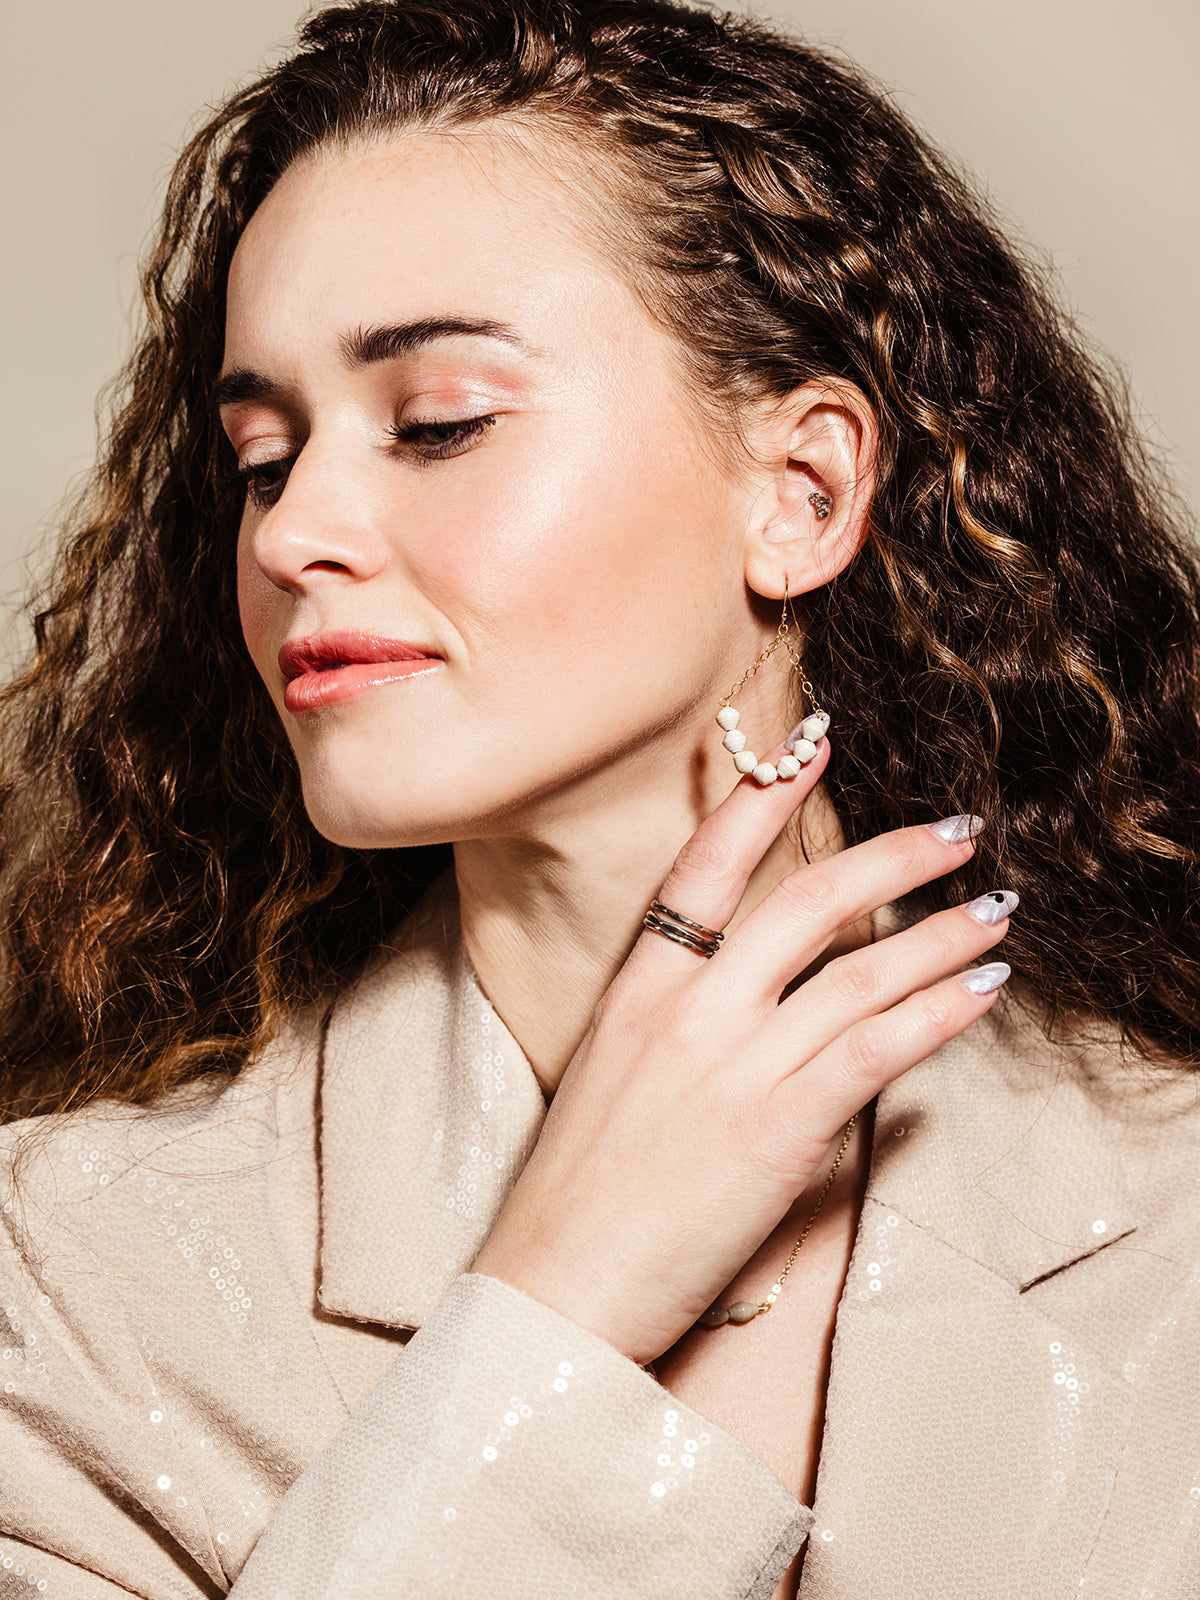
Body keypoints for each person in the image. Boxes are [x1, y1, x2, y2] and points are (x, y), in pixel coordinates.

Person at [1, 1, 1198, 1595]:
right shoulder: (75, 1266)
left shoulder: (1172, 1198)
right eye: (263, 459)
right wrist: (556, 1300)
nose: (293, 538)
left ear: (805, 491)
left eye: (438, 425)